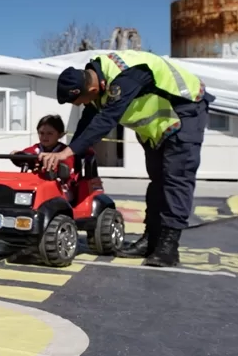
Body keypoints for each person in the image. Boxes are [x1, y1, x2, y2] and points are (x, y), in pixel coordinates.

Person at [47, 51, 213, 268]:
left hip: (186, 108)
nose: (79, 105)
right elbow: (88, 122)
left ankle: (168, 247)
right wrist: (69, 154)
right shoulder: (96, 84)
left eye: (79, 101)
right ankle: (151, 240)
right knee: (157, 182)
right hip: (160, 126)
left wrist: (68, 152)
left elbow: (108, 118)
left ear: (92, 90)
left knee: (176, 179)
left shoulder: (126, 76)